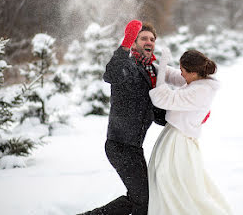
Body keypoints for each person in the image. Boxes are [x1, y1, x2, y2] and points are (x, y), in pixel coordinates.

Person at [78, 20, 185, 215]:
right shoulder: (128, 65)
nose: (149, 42)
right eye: (143, 38)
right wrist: (124, 44)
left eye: (152, 39)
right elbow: (111, 74)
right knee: (143, 201)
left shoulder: (152, 71)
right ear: (134, 43)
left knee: (140, 199)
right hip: (119, 145)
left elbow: (159, 114)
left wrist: (187, 115)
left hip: (134, 147)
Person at [147, 49, 233, 215]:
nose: (181, 74)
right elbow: (172, 76)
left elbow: (162, 98)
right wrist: (150, 66)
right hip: (174, 135)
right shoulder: (198, 81)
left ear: (194, 72)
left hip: (179, 141)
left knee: (170, 180)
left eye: (183, 71)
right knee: (166, 178)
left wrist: (163, 64)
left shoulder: (200, 91)